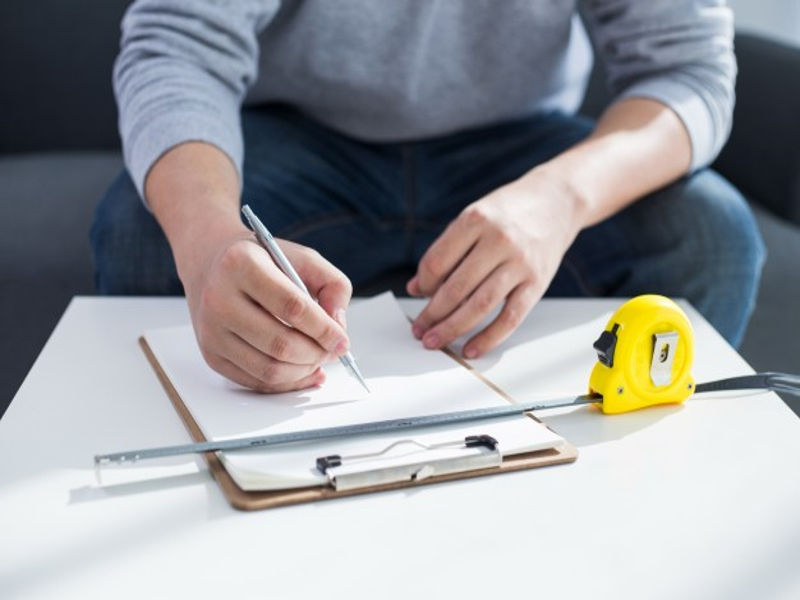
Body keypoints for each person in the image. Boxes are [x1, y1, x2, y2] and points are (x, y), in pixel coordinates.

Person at [92, 0, 764, 394]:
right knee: (145, 231)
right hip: (297, 134)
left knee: (709, 236)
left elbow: (688, 71)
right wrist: (209, 236)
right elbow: (180, 45)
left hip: (520, 145)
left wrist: (560, 197)